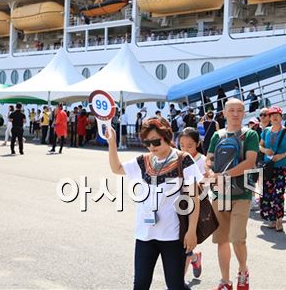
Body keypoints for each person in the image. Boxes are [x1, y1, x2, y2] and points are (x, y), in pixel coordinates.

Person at [105, 117, 202, 290]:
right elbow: (117, 169)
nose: (151, 147)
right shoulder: (143, 161)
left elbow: (193, 198)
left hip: (172, 235)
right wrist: (112, 142)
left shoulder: (183, 160)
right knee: (140, 284)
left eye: (155, 141)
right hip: (145, 234)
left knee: (175, 285)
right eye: (147, 142)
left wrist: (192, 231)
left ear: (167, 136)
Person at [205, 98, 259, 290]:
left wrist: (224, 175)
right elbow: (209, 159)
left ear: (244, 113)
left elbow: (250, 162)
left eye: (239, 110)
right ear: (224, 113)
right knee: (221, 240)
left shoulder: (250, 134)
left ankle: (243, 271)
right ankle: (225, 281)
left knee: (237, 238)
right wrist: (211, 173)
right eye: (231, 110)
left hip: (242, 193)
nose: (235, 114)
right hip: (219, 194)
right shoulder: (217, 136)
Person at [259, 106, 286, 231]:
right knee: (267, 192)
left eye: (277, 115)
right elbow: (260, 146)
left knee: (278, 192)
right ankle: (272, 218)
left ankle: (279, 219)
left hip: (282, 165)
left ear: (281, 117)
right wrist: (265, 150)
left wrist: (282, 155)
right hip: (268, 166)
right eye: (272, 115)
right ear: (269, 118)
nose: (274, 117)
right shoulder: (265, 131)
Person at [178, 127, 206, 281]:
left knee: (185, 243)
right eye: (182, 145)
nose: (185, 149)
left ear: (197, 144)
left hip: (194, 205)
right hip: (177, 205)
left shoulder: (202, 160)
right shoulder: (176, 157)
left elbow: (205, 182)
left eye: (189, 145)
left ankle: (177, 282)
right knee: (179, 244)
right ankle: (195, 258)